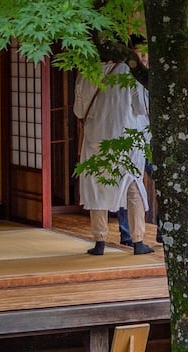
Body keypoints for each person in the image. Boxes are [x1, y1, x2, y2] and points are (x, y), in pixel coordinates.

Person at [73, 52, 154, 256]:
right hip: (127, 135)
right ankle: (138, 241)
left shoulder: (87, 72)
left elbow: (79, 111)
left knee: (96, 185)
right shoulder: (130, 72)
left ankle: (100, 241)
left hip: (95, 137)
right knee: (132, 184)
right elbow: (141, 108)